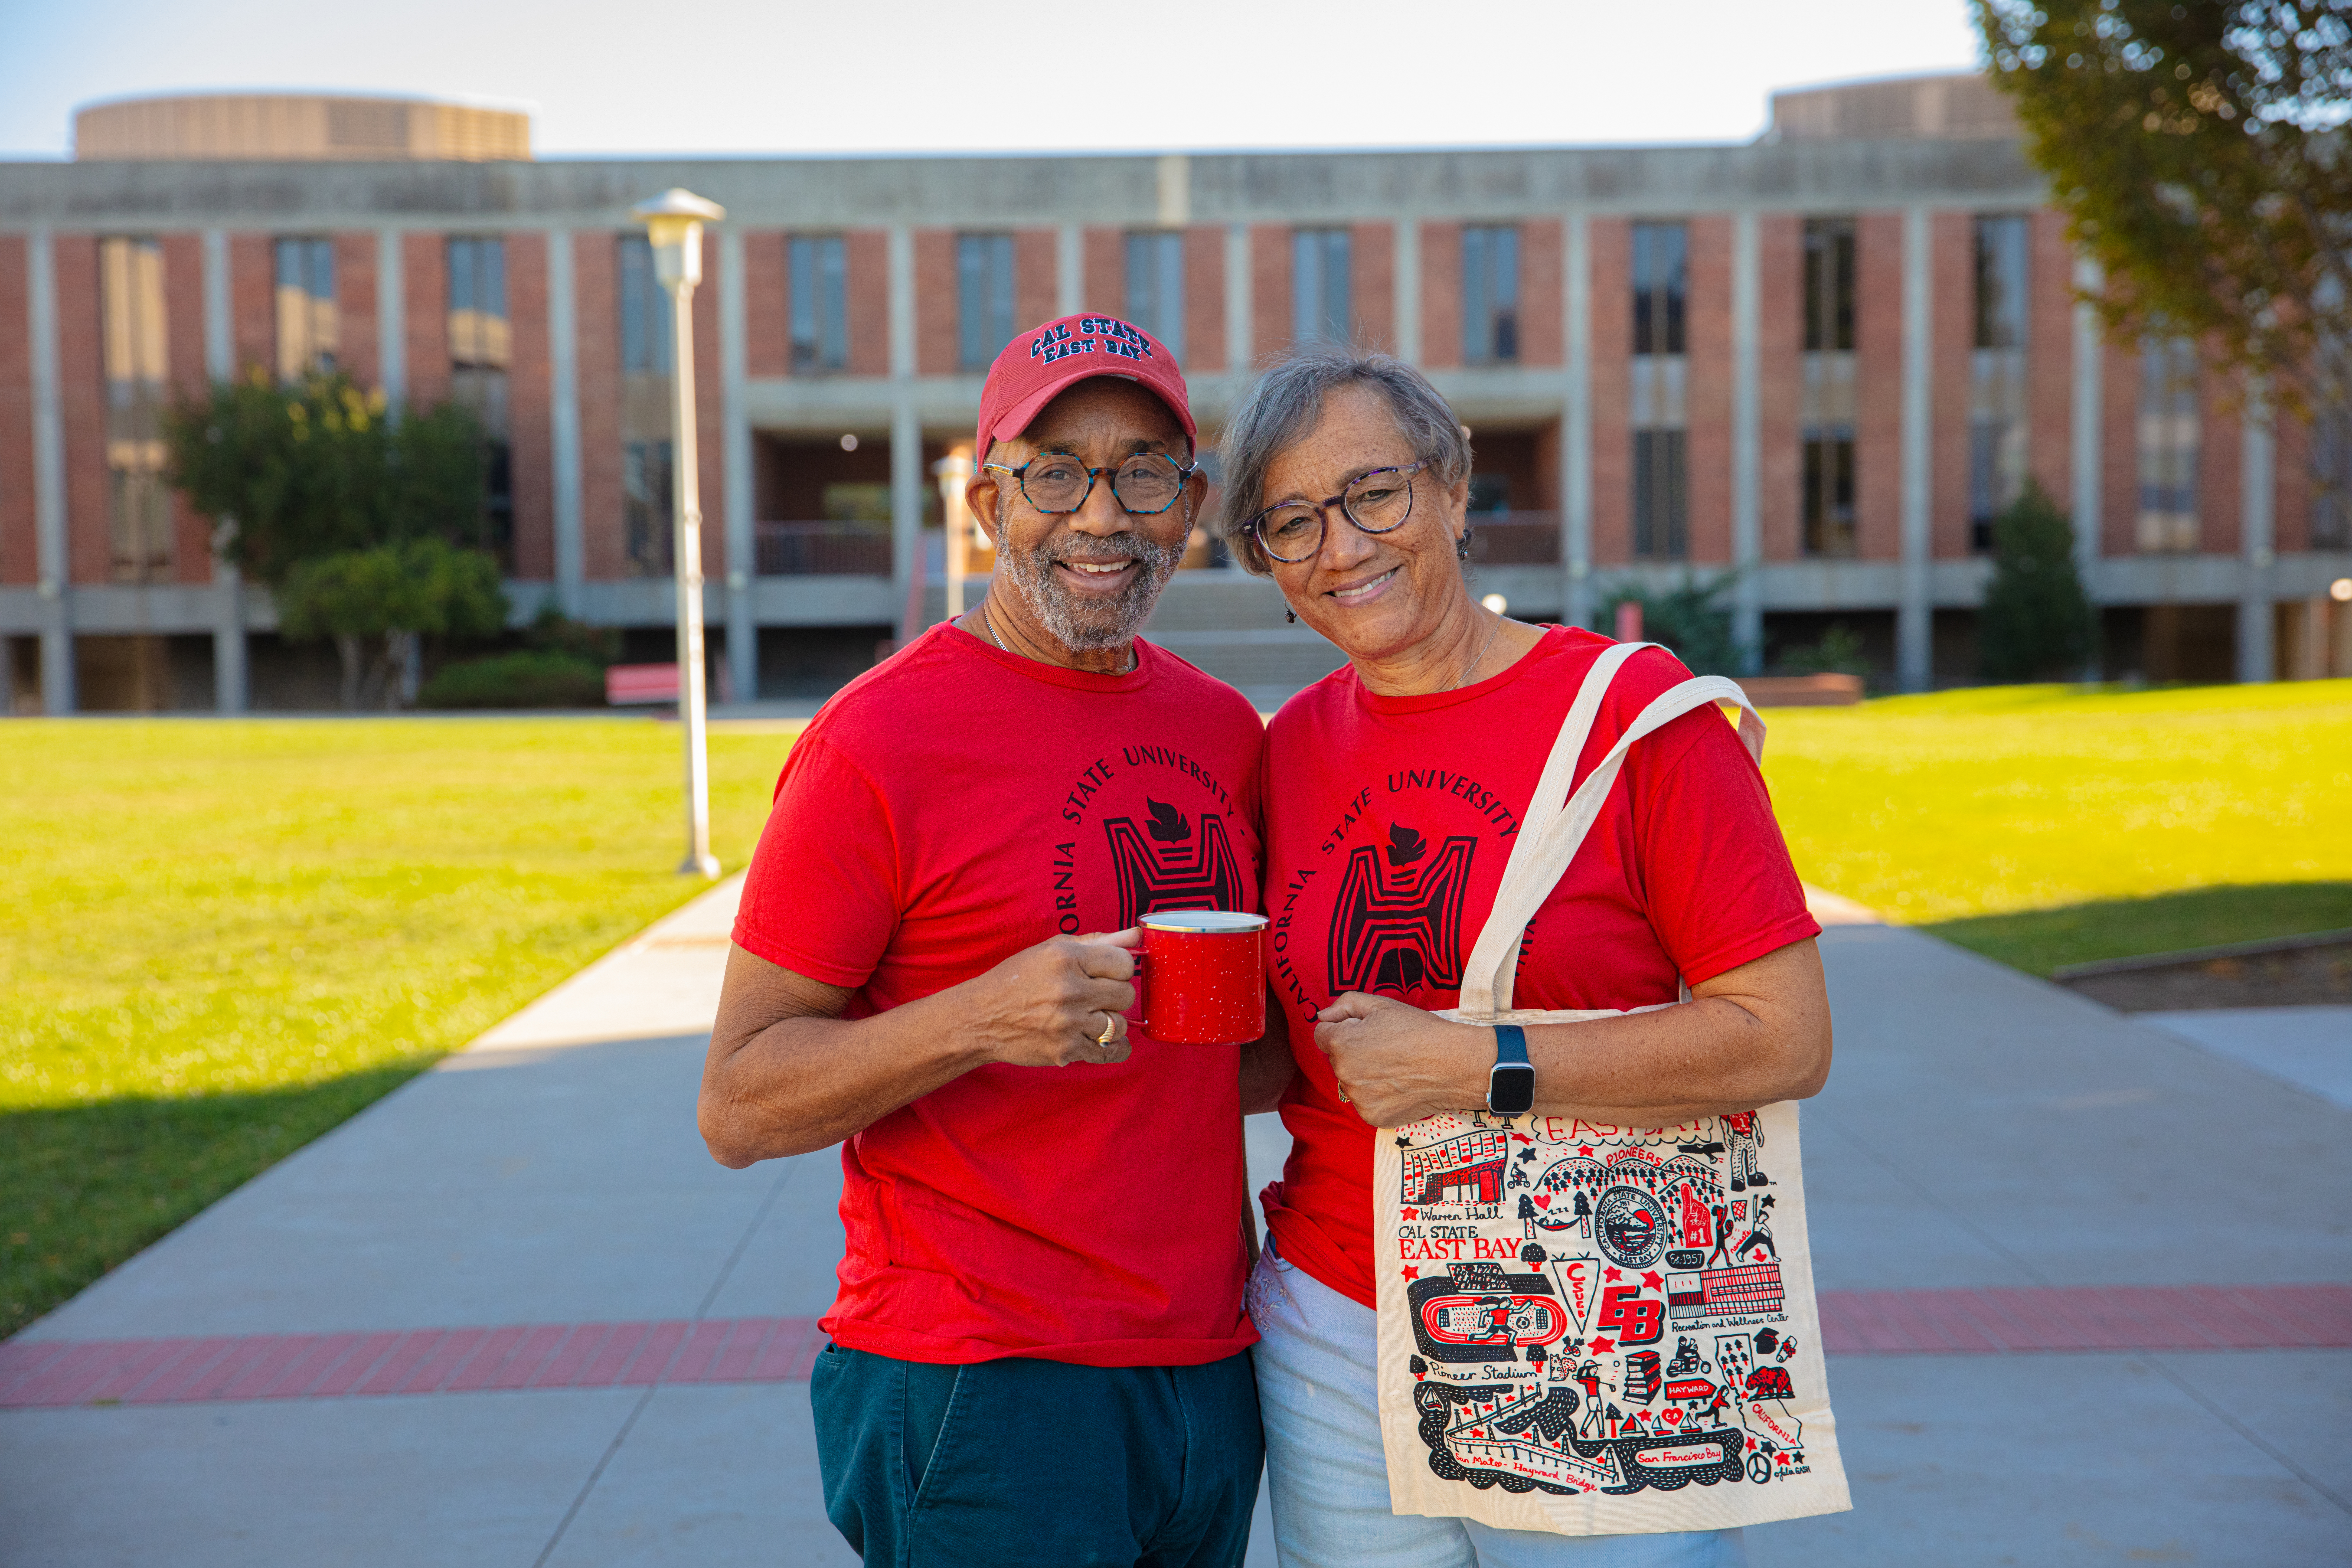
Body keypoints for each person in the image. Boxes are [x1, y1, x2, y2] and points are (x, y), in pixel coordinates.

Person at [1214, 344, 1834, 1568]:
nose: (1341, 545)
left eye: (1373, 492)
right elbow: (1297, 1055)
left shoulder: (1637, 717)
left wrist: (1479, 1065)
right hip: (1334, 1327)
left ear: (1452, 489)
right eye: (1291, 521)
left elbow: (1785, 1032)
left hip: (1602, 1320)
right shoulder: (1288, 750)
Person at [700, 314, 1286, 1568]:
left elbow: (1240, 1071)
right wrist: (980, 1015)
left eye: (1141, 471)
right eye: (1056, 469)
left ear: (1187, 505)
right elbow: (740, 1104)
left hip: (1205, 1367)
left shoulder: (1227, 730)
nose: (1101, 515)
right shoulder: (877, 741)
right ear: (986, 500)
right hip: (978, 1379)